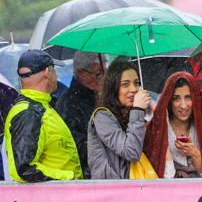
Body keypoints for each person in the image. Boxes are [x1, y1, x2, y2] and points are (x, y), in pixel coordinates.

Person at [4, 49, 82, 182]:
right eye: (54, 70)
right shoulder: (28, 111)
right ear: (47, 72)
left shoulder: (43, 105)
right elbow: (24, 169)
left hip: (64, 196)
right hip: (54, 198)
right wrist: (68, 177)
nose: (56, 75)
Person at [144, 72, 202, 178]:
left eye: (188, 97)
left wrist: (196, 154)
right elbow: (163, 179)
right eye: (176, 98)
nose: (183, 105)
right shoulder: (152, 131)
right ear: (168, 101)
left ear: (196, 99)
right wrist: (163, 136)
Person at [88, 61, 151, 179]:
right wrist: (137, 110)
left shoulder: (133, 117)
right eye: (125, 84)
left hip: (134, 190)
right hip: (110, 192)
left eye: (136, 83)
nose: (134, 89)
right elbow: (131, 153)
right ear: (113, 88)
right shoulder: (102, 117)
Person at [56, 51, 107, 179]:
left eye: (106, 71)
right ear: (82, 74)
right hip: (84, 177)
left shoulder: (101, 98)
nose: (104, 77)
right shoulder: (68, 104)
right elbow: (75, 147)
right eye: (99, 73)